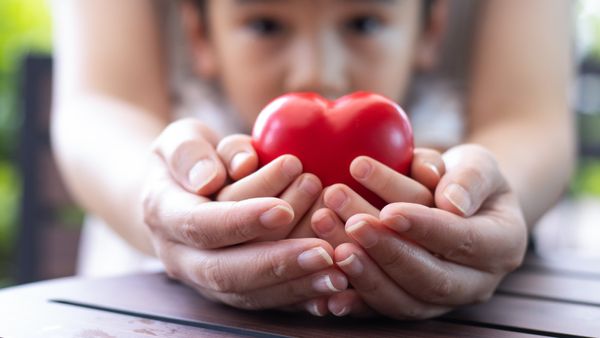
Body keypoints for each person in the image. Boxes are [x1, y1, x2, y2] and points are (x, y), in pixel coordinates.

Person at [50, 0, 574, 319]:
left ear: (430, 30)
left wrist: (480, 205)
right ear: (200, 36)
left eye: (365, 22)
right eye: (265, 25)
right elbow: (99, 105)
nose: (316, 74)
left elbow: (529, 116)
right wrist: (161, 200)